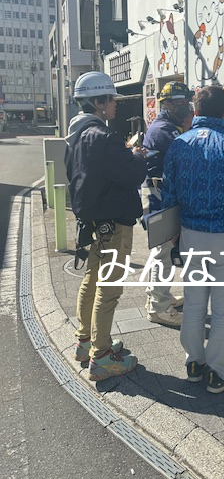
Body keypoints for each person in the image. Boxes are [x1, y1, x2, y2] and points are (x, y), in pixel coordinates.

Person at [162, 85, 224, 393]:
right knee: (223, 310)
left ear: (196, 110)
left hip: (190, 234)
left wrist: (173, 232)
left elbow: (169, 193)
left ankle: (194, 362)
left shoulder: (179, 143)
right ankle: (219, 371)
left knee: (193, 303)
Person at [65, 71, 148, 381]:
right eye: (112, 99)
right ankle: (101, 357)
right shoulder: (103, 136)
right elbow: (131, 174)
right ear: (98, 102)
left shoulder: (78, 134)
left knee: (92, 280)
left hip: (94, 221)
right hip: (114, 222)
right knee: (109, 289)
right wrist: (136, 156)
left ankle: (85, 341)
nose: (115, 104)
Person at [142, 81, 194, 326]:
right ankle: (158, 307)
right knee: (163, 252)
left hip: (163, 195)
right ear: (168, 104)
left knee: (161, 251)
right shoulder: (165, 130)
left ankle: (158, 296)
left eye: (187, 101)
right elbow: (188, 154)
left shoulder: (169, 126)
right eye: (181, 102)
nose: (187, 106)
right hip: (161, 197)